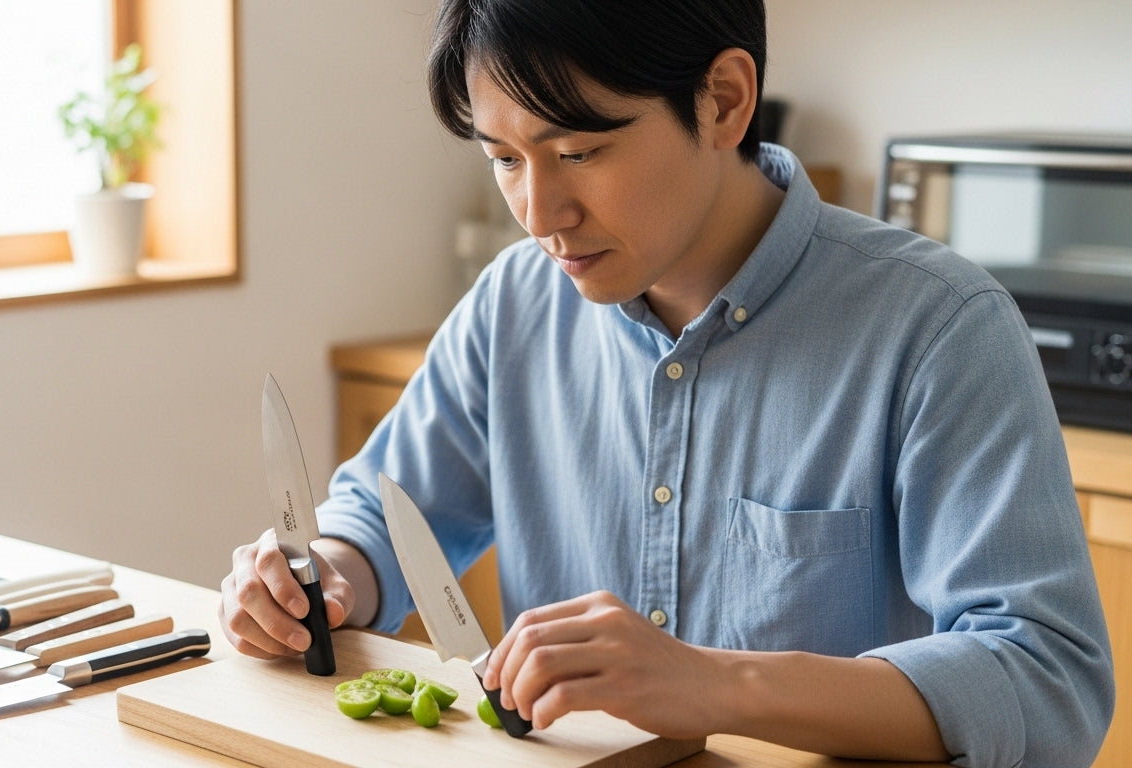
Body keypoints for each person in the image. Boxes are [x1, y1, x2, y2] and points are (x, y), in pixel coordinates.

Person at [219, 1, 1114, 765]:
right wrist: (322, 580)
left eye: (577, 152)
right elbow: (382, 517)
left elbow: (1049, 682)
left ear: (723, 100)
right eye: (503, 158)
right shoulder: (514, 304)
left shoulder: (939, 328)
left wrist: (716, 684)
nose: (540, 214)